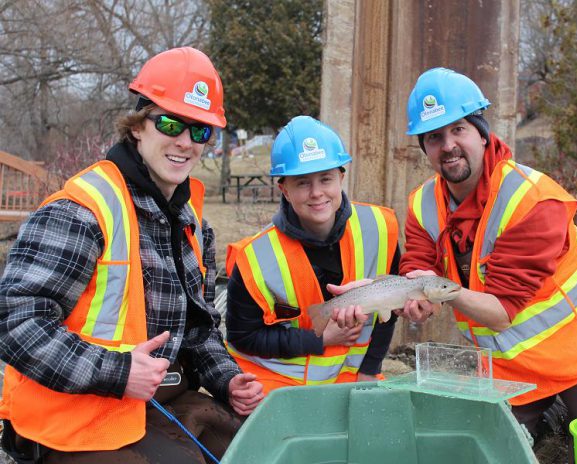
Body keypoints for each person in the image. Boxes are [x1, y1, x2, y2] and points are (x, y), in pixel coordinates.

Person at [0, 47, 264, 463]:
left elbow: (199, 329)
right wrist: (118, 372)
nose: (184, 142)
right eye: (171, 123)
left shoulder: (192, 221)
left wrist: (228, 379)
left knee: (261, 448)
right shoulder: (82, 211)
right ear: (138, 127)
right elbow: (15, 320)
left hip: (154, 402)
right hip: (71, 416)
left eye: (200, 131)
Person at [398, 67, 577, 442]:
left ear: (482, 132)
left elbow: (500, 312)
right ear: (425, 148)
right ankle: (548, 419)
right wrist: (416, 297)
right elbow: (417, 263)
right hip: (508, 368)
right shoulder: (422, 203)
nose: (448, 145)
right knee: (484, 450)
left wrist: (437, 290)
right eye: (434, 137)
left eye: (458, 129)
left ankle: (576, 413)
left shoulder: (533, 200)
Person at [225, 116, 400, 394]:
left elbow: (387, 309)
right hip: (277, 383)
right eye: (302, 183)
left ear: (341, 177)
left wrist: (370, 369)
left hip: (349, 378)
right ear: (284, 189)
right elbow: (242, 336)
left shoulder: (378, 229)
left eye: (326, 179)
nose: (317, 193)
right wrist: (320, 339)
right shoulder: (254, 258)